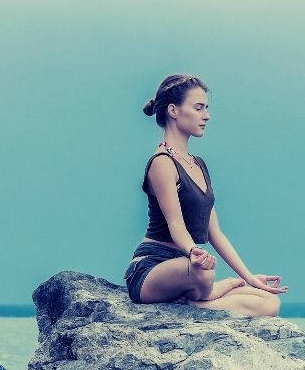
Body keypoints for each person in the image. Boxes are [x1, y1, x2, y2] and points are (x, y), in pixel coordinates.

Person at [123, 74, 288, 317]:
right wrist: (193, 251)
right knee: (204, 273)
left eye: (206, 108)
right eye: (198, 108)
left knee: (269, 304)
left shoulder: (199, 165)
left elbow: (215, 233)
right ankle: (209, 291)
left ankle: (197, 303)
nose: (206, 115)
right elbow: (176, 224)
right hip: (154, 268)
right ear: (173, 111)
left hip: (191, 269)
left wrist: (249, 277)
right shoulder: (162, 163)